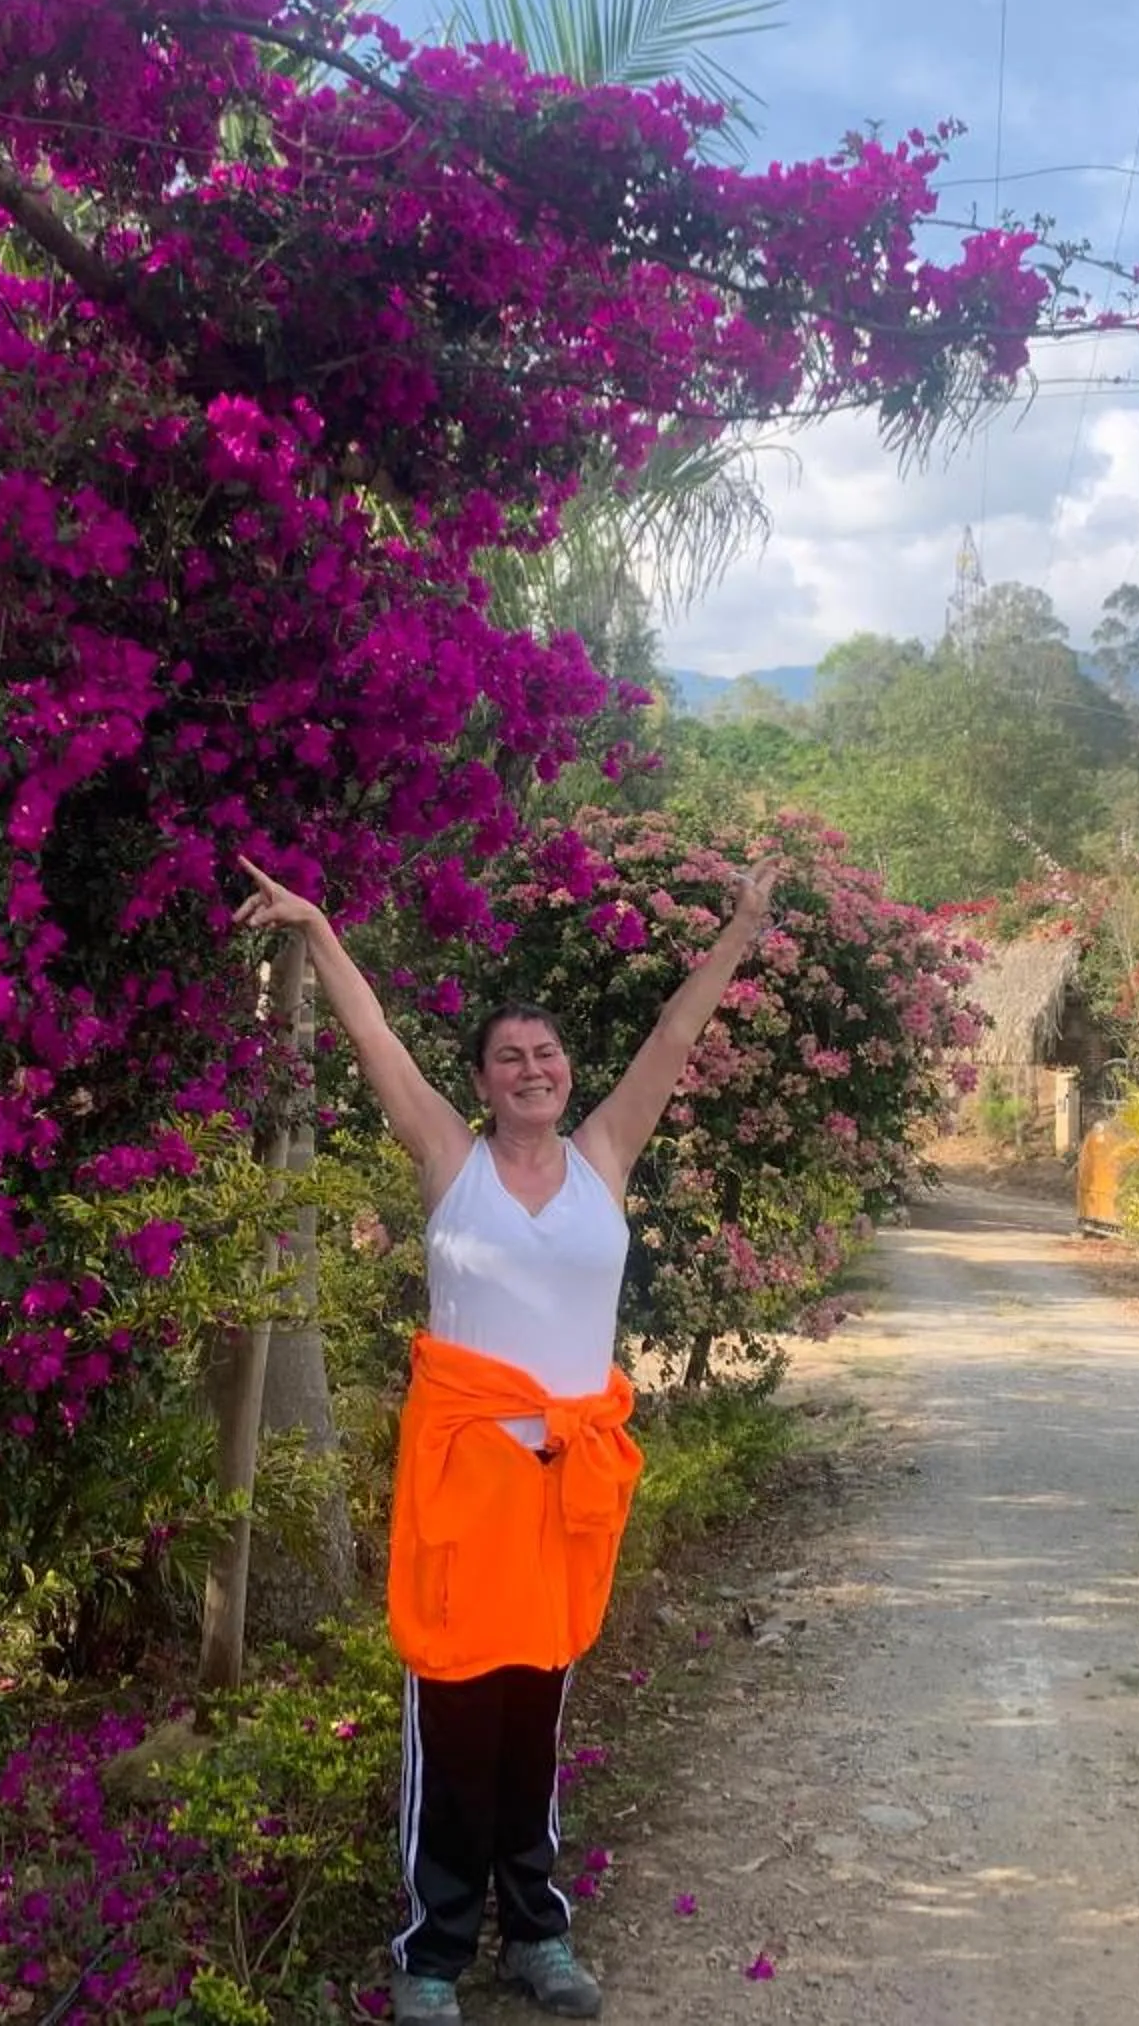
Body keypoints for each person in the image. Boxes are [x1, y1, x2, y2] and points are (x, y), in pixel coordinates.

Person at [232, 854, 783, 2026]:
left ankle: (538, 1933)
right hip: (466, 1483)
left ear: (565, 1074)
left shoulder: (604, 1162)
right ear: (480, 1083)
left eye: (548, 1056)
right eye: (510, 1058)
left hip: (568, 1490)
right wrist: (320, 925)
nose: (534, 1071)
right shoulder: (452, 1163)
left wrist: (739, 928)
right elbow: (377, 1037)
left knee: (536, 1711)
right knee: (453, 1707)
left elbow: (675, 1041)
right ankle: (432, 1952)